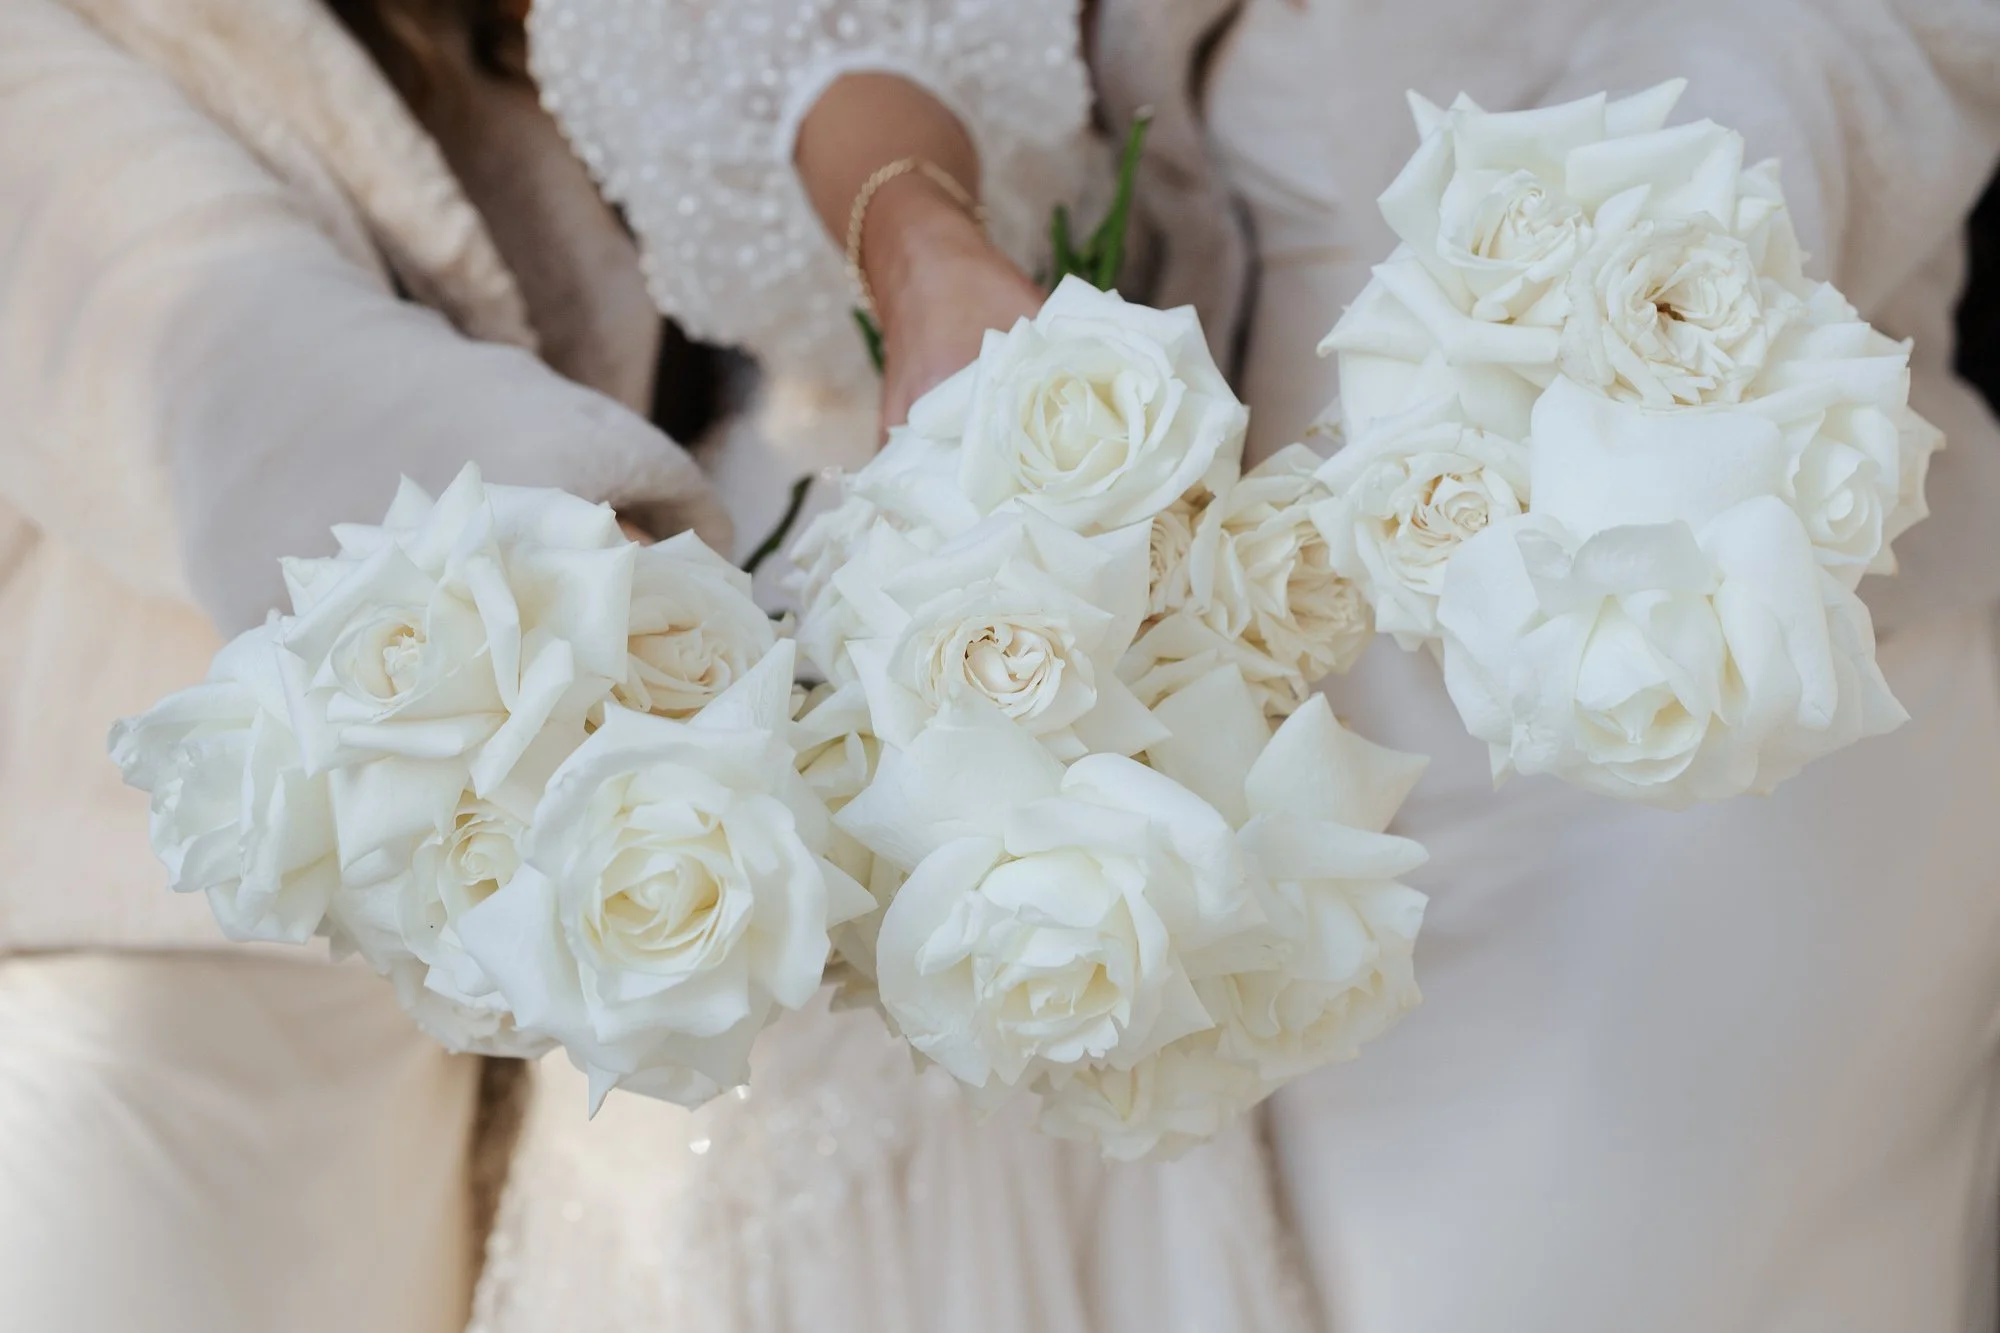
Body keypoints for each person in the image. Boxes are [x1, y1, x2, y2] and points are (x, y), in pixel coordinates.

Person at [474, 2, 2000, 1330]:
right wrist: (927, 240)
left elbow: (1851, 32)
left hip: (1687, 701)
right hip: (1272, 754)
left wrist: (1622, 284)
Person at [0, 1, 728, 1329]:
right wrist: (577, 562)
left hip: (419, 1050)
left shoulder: (520, 55)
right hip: (143, 1017)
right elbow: (220, 343)